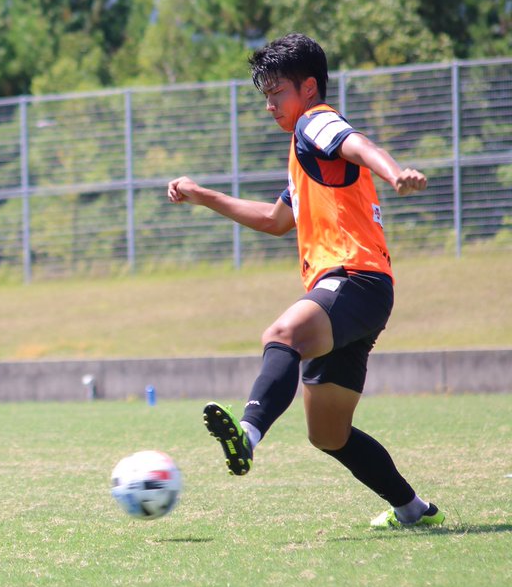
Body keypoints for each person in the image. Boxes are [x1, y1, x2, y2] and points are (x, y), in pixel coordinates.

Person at [166, 33, 443, 529]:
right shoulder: (304, 150)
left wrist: (395, 171)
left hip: (352, 278)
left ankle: (246, 436)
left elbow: (359, 144)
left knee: (281, 335)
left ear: (309, 88)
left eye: (278, 93)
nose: (270, 105)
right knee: (329, 433)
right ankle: (411, 508)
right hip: (363, 290)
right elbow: (276, 220)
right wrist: (204, 196)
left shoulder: (316, 122)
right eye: (266, 96)